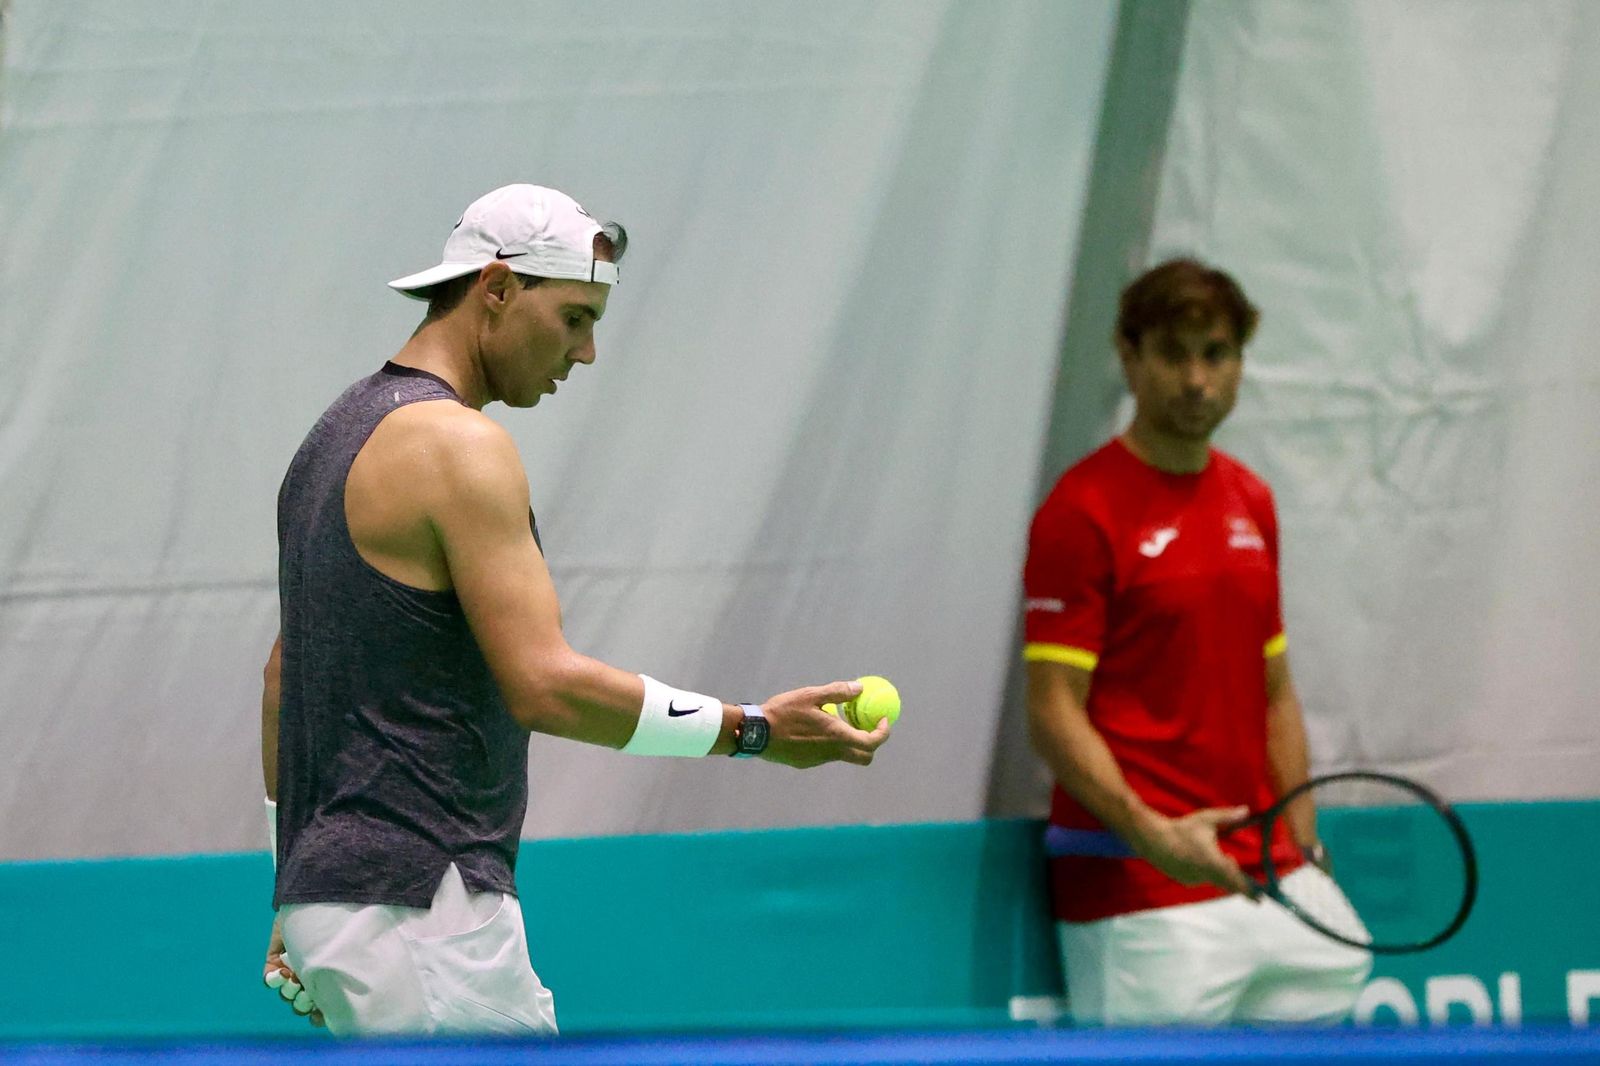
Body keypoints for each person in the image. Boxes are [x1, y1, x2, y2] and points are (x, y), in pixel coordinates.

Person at [259, 183, 891, 1036]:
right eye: (574, 319)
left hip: (351, 902)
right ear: (496, 288)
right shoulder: (458, 445)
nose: (587, 353)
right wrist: (754, 730)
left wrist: (296, 876)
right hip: (423, 904)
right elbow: (545, 687)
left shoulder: (334, 435)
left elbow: (283, 674)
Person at [1020, 258, 1370, 1025]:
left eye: (1216, 354)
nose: (1196, 379)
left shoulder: (1251, 500)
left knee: (1345, 962)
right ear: (1130, 357)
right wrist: (1153, 836)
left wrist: (1302, 846)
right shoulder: (1081, 512)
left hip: (1271, 880)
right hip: (1141, 893)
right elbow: (1051, 711)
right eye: (1173, 354)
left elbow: (1272, 688)